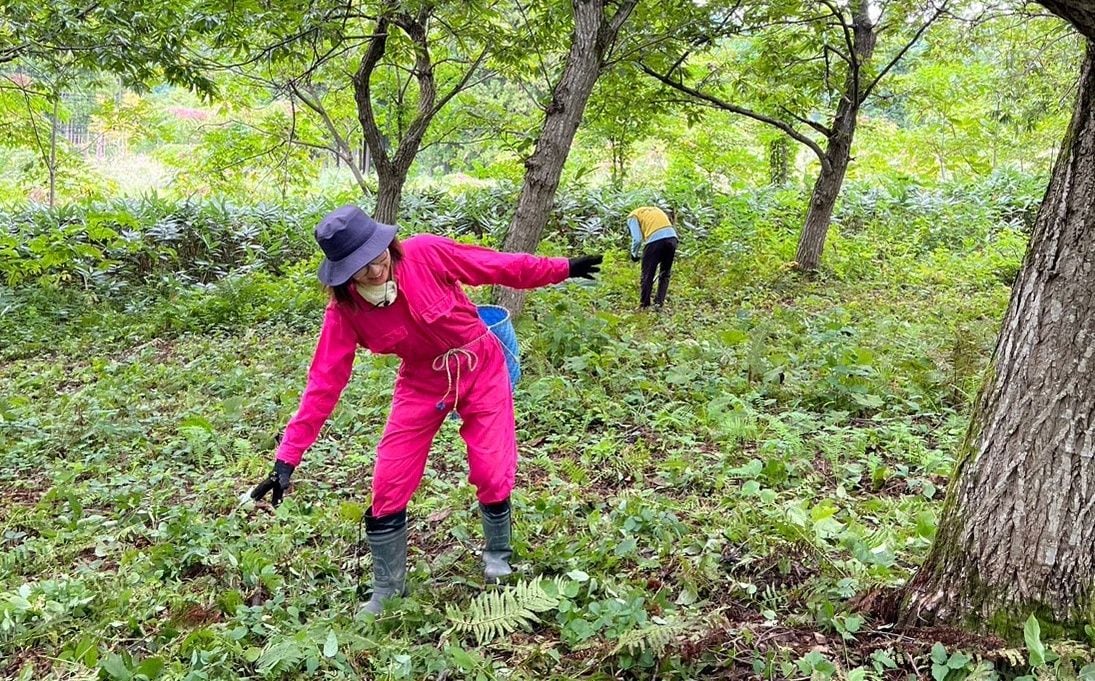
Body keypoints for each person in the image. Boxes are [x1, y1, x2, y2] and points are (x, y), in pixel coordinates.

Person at [250, 205, 602, 614]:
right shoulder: (345, 312)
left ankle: (498, 555)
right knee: (389, 477)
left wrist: (562, 268)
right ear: (343, 275)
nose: (375, 271)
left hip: (480, 364)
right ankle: (387, 588)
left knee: (491, 468)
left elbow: (495, 265)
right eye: (360, 269)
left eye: (378, 257)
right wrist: (287, 458)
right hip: (422, 380)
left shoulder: (425, 254)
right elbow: (324, 382)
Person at [627, 206, 678, 308]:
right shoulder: (655, 209)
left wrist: (634, 254)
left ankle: (644, 305)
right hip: (672, 238)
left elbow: (637, 239)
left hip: (655, 240)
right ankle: (659, 303)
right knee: (665, 273)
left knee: (647, 274)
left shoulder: (632, 216)